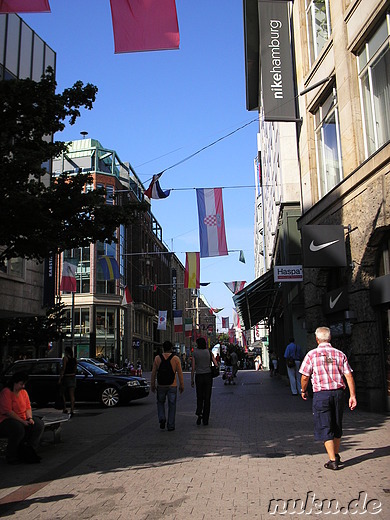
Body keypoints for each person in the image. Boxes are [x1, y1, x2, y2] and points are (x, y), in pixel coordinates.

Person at [300, 326, 357, 471]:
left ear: (317, 339)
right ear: (330, 338)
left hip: (321, 395)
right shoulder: (340, 354)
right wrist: (352, 395)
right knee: (337, 424)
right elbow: (348, 375)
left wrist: (303, 390)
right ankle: (336, 455)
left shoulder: (311, 355)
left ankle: (333, 460)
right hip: (338, 393)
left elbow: (305, 376)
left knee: (325, 424)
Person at [0, 371, 44, 464]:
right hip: (7, 419)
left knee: (38, 424)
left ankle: (30, 450)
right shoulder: (6, 392)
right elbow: (8, 411)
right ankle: (12, 455)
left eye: (24, 384)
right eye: (21, 384)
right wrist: (22, 421)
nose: (23, 386)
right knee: (18, 429)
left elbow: (28, 407)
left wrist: (30, 418)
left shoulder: (24, 392)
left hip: (23, 418)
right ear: (15, 382)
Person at [151, 341, 184, 431]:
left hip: (161, 385)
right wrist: (182, 385)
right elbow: (180, 373)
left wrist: (152, 384)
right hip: (172, 385)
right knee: (172, 405)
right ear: (171, 348)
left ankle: (162, 418)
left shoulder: (157, 358)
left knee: (160, 402)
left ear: (163, 348)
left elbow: (153, 373)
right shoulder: (176, 359)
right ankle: (171, 425)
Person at [191, 337, 219, 426]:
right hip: (208, 376)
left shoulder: (195, 353)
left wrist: (192, 379)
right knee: (207, 398)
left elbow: (193, 368)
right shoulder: (209, 352)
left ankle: (199, 413)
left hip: (199, 376)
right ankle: (205, 419)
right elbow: (216, 364)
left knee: (199, 396)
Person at [58, 346, 77, 417]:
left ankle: (65, 408)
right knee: (72, 395)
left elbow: (63, 368)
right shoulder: (74, 359)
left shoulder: (65, 358)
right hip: (73, 377)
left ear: (66, 351)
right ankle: (72, 410)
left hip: (66, 377)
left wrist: (60, 378)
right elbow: (75, 369)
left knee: (63, 393)